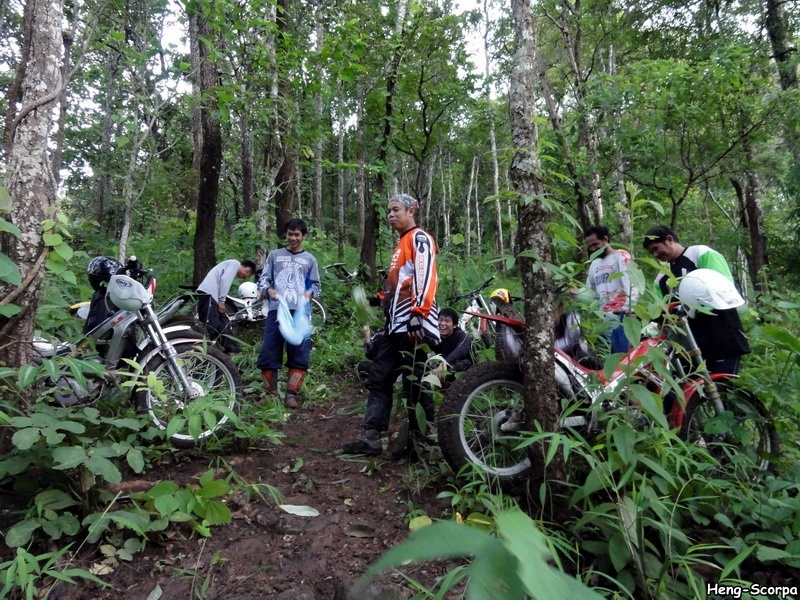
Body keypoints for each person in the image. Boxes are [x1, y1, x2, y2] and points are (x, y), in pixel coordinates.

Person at [342, 193, 440, 455]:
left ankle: (422, 440)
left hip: (414, 323)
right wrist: (377, 299)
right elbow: (397, 285)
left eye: (396, 209)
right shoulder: (400, 245)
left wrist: (419, 312)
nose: (391, 215)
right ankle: (371, 437)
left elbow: (425, 275)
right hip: (394, 326)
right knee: (379, 376)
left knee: (414, 381)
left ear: (411, 211)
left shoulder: (419, 238)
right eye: (388, 211)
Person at [642, 225, 750, 375]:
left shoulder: (701, 254)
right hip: (689, 344)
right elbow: (661, 311)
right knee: (691, 385)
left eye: (656, 248)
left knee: (723, 383)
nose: (655, 254)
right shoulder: (661, 279)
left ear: (669, 239)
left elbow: (723, 288)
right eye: (651, 252)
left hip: (721, 334)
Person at [256, 218, 321, 408]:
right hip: (276, 311)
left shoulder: (310, 260)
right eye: (290, 234)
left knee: (300, 352)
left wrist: (310, 293)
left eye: (297, 235)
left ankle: (291, 395)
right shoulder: (274, 256)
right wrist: (268, 291)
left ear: (304, 236)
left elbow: (316, 286)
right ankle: (271, 394)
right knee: (269, 350)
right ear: (285, 234)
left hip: (300, 314)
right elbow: (263, 280)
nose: (293, 238)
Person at [575, 225, 639, 354]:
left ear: (605, 239)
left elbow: (631, 284)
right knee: (609, 354)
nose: (593, 249)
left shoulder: (620, 256)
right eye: (589, 246)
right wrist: (574, 292)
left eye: (595, 244)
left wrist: (630, 309)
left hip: (622, 313)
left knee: (623, 353)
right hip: (605, 315)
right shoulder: (594, 264)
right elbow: (590, 292)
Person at [196, 259, 257, 354]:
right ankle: (204, 349)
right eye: (246, 275)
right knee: (210, 324)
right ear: (247, 269)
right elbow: (225, 281)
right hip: (209, 293)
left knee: (223, 323)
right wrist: (222, 301)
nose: (244, 277)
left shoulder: (230, 265)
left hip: (214, 296)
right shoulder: (235, 264)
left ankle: (233, 349)